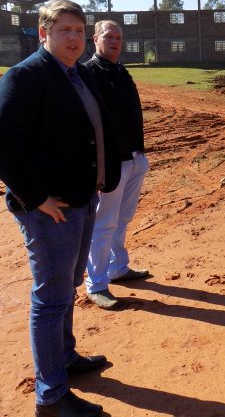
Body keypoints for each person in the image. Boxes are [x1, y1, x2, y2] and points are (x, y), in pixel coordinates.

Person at [0, 0, 120, 417]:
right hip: (49, 210)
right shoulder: (25, 77)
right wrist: (36, 197)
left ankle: (66, 359)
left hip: (80, 200)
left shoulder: (76, 75)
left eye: (79, 30)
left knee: (67, 287)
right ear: (44, 34)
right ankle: (51, 396)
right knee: (51, 298)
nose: (74, 38)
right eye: (64, 31)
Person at [84, 20, 150, 309]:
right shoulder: (88, 73)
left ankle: (118, 268)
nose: (114, 41)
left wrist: (141, 155)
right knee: (104, 222)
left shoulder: (121, 72)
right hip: (111, 162)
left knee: (122, 219)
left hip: (134, 157)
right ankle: (96, 284)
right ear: (96, 39)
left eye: (118, 37)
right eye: (108, 36)